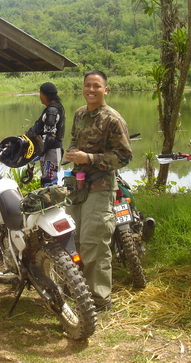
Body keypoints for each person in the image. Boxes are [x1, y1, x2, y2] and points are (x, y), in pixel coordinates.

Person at [64, 70, 133, 312]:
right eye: (87, 85)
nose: (91, 90)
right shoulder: (79, 114)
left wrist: (89, 158)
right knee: (72, 238)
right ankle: (79, 289)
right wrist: (73, 153)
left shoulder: (113, 119)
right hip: (78, 184)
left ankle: (99, 299)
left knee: (94, 242)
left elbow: (124, 156)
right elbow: (74, 139)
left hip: (101, 186)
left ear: (105, 90)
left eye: (96, 86)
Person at [26, 82, 65, 186]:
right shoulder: (56, 107)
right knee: (47, 180)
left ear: (45, 94)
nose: (40, 97)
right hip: (49, 150)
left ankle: (51, 197)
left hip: (50, 151)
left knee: (49, 182)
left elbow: (50, 137)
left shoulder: (52, 110)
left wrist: (38, 153)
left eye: (40, 94)